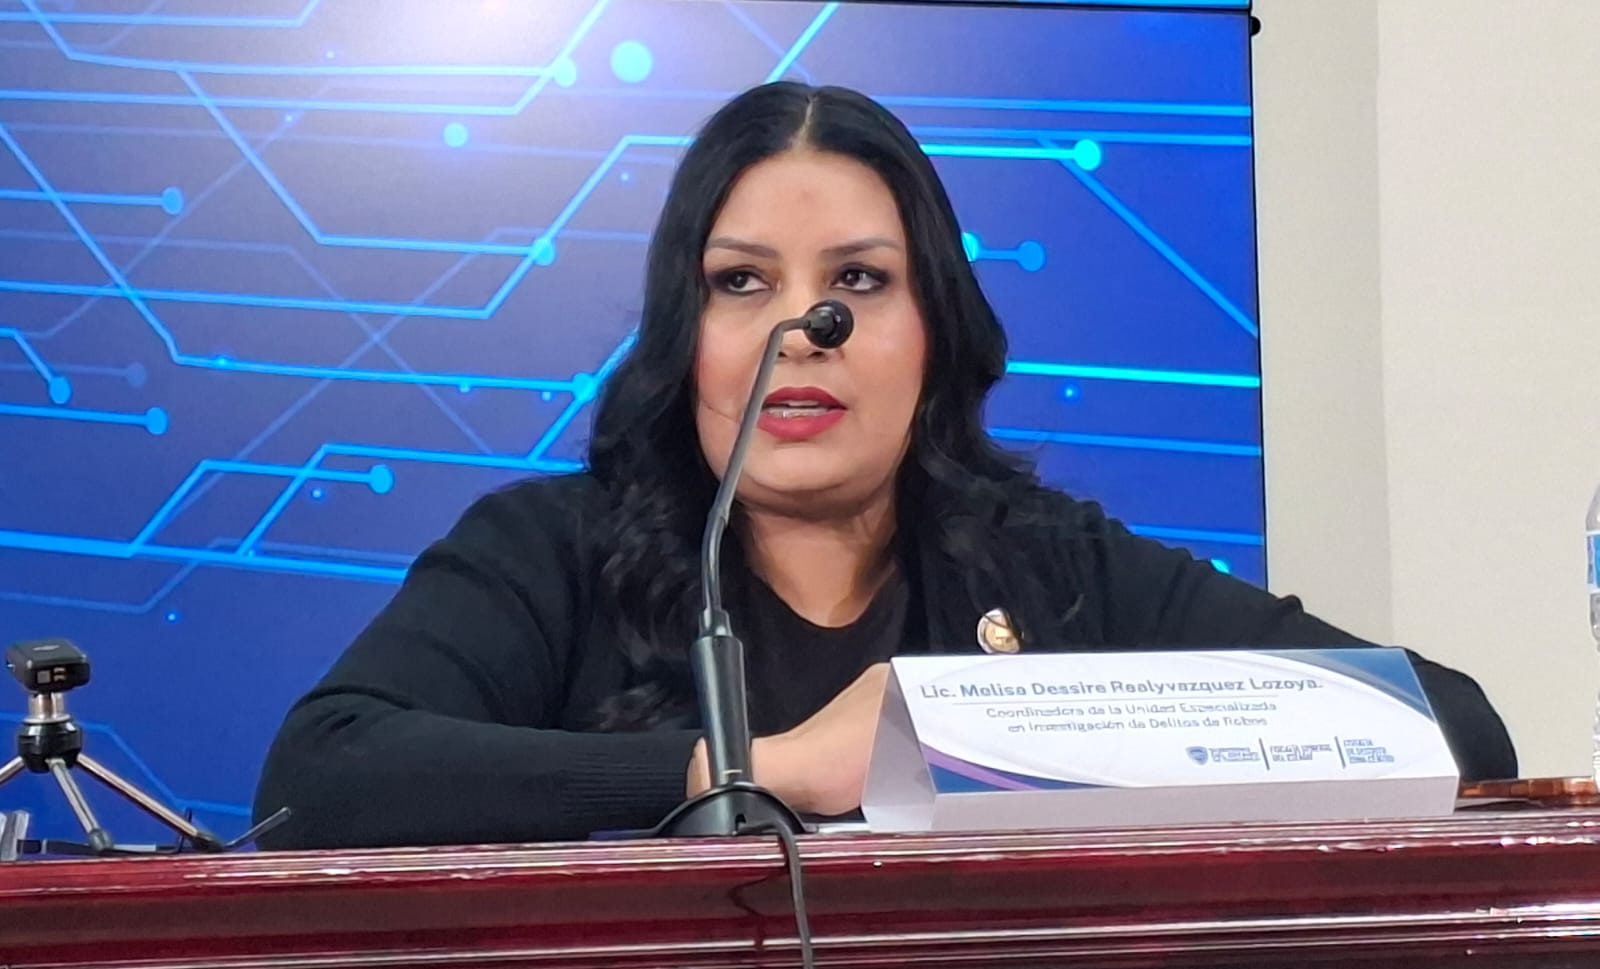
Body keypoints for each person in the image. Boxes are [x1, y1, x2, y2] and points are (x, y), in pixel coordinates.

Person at [252, 82, 1516, 850]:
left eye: (858, 280)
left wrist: (1057, 740)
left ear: (933, 331)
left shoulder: (1053, 562)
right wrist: (759, 771)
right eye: (741, 283)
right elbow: (316, 782)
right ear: (685, 337)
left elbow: (1454, 728)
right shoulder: (547, 549)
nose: (804, 329)